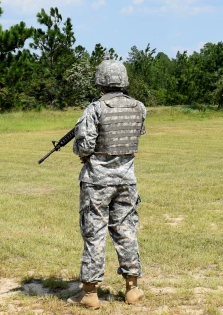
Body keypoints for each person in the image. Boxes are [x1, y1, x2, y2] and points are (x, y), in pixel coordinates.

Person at [67, 60, 146, 309]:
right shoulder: (139, 107)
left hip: (97, 183)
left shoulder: (95, 109)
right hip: (126, 180)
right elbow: (137, 136)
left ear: (101, 81)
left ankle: (90, 294)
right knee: (126, 231)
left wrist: (81, 153)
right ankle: (132, 289)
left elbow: (85, 145)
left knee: (94, 234)